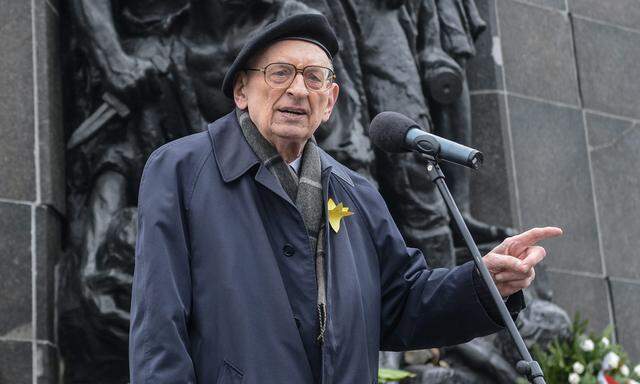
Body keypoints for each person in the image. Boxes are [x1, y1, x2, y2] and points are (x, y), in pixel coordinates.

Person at [129, 13, 562, 384]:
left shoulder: (357, 193)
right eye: (280, 73)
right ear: (241, 91)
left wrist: (484, 283)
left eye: (314, 77)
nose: (298, 90)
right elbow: (158, 327)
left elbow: (401, 304)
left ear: (330, 100)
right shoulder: (182, 170)